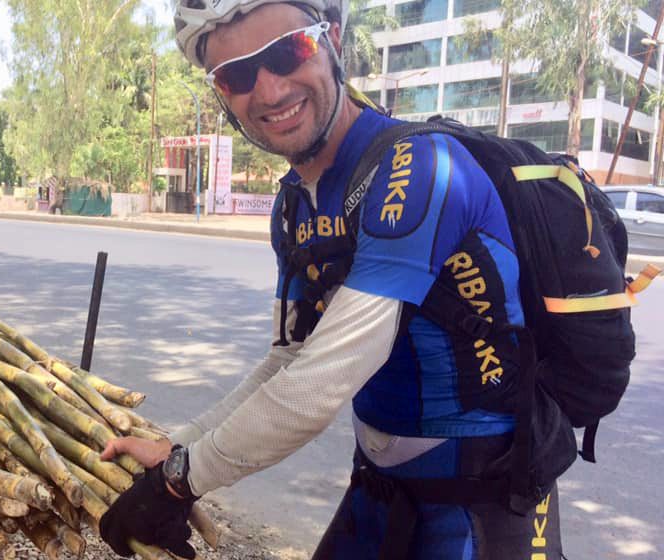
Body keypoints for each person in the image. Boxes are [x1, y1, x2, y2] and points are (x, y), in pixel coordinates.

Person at [98, 1, 566, 559]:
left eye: (288, 51)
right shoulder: (293, 204)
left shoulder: (419, 167)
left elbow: (319, 385)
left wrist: (180, 479)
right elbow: (288, 360)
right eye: (237, 75)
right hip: (382, 488)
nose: (269, 91)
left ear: (333, 40)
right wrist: (179, 445)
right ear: (221, 93)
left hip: (487, 504)